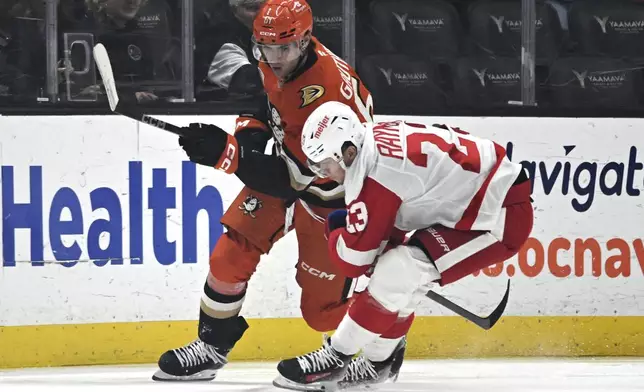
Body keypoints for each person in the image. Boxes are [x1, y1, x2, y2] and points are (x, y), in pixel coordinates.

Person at [152, 0, 375, 382]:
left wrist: (228, 155)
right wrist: (247, 142)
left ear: (305, 40)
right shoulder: (277, 53)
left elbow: (294, 179)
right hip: (290, 167)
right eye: (265, 48)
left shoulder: (325, 98)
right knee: (230, 254)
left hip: (331, 194)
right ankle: (211, 346)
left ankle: (383, 338)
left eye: (283, 48)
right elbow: (264, 104)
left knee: (320, 312)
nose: (274, 58)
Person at [273, 100, 534, 391]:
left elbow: (353, 261)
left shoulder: (373, 175)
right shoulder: (371, 142)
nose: (324, 174)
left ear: (347, 152)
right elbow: (401, 206)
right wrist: (381, 242)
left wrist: (335, 229)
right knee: (402, 272)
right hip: (480, 200)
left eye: (325, 164)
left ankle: (336, 357)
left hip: (498, 218)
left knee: (400, 270)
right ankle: (377, 364)